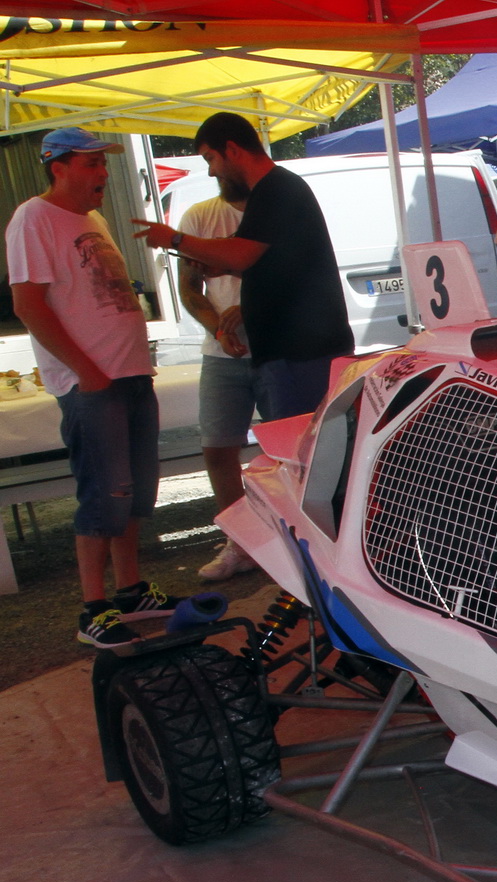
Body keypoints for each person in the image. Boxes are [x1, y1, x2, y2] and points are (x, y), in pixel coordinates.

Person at [7, 128, 182, 647]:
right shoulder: (33, 218)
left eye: (103, 164)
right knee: (103, 494)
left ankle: (130, 589)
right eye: (91, 164)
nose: (103, 173)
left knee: (134, 491)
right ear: (57, 167)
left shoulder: (93, 219)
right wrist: (86, 371)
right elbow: (28, 304)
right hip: (94, 382)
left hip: (130, 372)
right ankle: (93, 607)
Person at [133, 112, 352, 421]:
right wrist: (222, 267)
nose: (211, 171)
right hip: (299, 351)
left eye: (210, 158)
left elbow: (240, 254)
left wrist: (175, 239)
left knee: (300, 443)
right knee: (299, 441)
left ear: (232, 149)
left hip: (301, 352)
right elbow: (276, 265)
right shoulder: (275, 189)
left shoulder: (275, 189)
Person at [177, 174, 265, 580]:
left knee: (294, 448)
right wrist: (218, 329)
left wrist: (251, 307)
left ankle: (294, 541)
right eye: (208, 161)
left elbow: (295, 276)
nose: (212, 170)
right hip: (222, 353)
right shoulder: (199, 216)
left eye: (214, 159)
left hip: (276, 347)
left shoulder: (274, 209)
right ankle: (240, 542)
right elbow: (189, 288)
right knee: (217, 448)